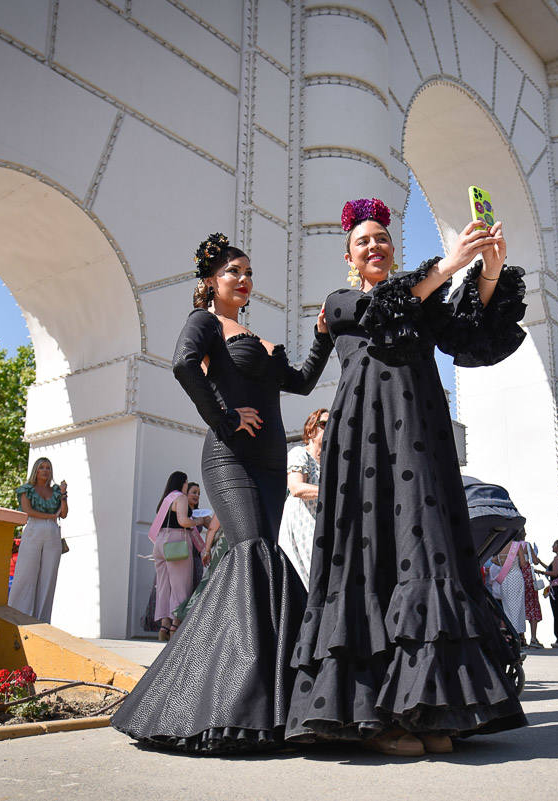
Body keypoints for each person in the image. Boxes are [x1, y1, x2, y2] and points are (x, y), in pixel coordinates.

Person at [287, 198, 528, 757]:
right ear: (350, 255)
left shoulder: (420, 299)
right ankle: (379, 716)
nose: (376, 246)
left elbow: (468, 335)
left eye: (382, 239)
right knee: (371, 557)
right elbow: (377, 315)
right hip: (364, 442)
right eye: (364, 241)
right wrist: (448, 264)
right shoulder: (341, 303)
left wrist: (487, 268)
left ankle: (428, 707)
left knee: (428, 553)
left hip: (420, 437)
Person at [112, 232, 332, 754]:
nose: (244, 280)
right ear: (211, 281)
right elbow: (184, 364)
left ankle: (270, 700)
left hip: (270, 465)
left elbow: (300, 382)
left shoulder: (256, 336)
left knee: (255, 560)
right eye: (235, 271)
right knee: (253, 552)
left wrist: (321, 335)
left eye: (249, 273)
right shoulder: (206, 323)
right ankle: (218, 701)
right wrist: (226, 417)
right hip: (229, 457)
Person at [145, 471, 203, 641]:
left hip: (160, 543)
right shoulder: (181, 498)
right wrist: (198, 522)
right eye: (186, 483)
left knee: (164, 587)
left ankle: (163, 626)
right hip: (176, 542)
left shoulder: (166, 499)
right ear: (183, 483)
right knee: (180, 586)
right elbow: (184, 521)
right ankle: (175, 626)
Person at [9, 457, 67, 622]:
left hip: (52, 532)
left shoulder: (55, 491)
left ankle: (42, 619)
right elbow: (27, 511)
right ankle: (18, 615)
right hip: (34, 528)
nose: (45, 470)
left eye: (48, 467)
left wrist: (63, 495)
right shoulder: (27, 489)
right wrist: (49, 516)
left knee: (48, 576)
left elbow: (63, 513)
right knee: (26, 572)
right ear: (36, 470)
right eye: (42, 467)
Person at [278, 408, 328, 587]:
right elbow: (296, 487)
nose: (329, 428)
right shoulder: (300, 453)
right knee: (302, 578)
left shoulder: (330, 462)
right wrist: (329, 491)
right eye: (324, 424)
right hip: (300, 524)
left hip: (318, 525)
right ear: (311, 429)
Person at [491, 539, 529, 643]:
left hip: (505, 579)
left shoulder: (499, 544)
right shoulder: (516, 545)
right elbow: (523, 563)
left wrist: (502, 563)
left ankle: (509, 633)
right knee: (516, 607)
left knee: (507, 607)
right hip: (515, 577)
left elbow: (493, 560)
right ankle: (514, 634)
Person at [518, 535, 545, 647]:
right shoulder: (527, 545)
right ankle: (533, 638)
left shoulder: (512, 546)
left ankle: (521, 636)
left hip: (518, 576)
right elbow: (535, 561)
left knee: (520, 607)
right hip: (528, 576)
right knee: (533, 606)